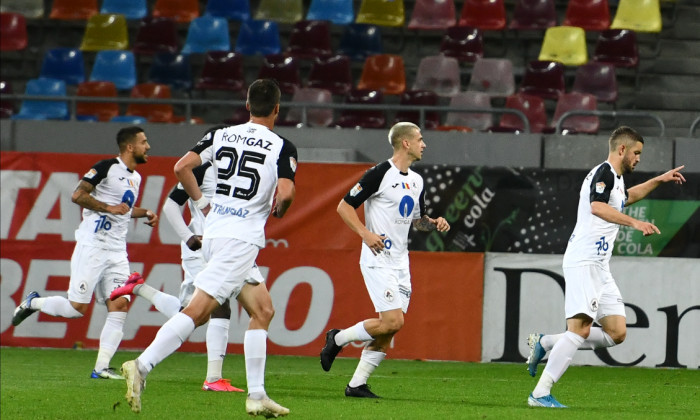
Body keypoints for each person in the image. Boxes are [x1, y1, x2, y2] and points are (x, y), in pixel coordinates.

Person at [118, 79, 297, 417]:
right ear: (277, 108)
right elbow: (286, 194)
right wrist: (280, 208)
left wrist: (201, 204)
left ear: (247, 105)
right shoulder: (282, 146)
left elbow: (181, 167)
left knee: (263, 311)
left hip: (216, 233)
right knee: (197, 312)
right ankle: (141, 366)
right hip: (240, 240)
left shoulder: (219, 134)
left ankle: (257, 396)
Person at [526, 126, 686, 408]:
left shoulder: (616, 179)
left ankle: (547, 342)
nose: (638, 158)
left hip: (600, 265)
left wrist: (659, 180)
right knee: (580, 329)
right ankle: (540, 393)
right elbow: (597, 207)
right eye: (636, 153)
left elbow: (628, 197)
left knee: (617, 333)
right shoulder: (603, 173)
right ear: (622, 149)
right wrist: (635, 222)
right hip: (584, 260)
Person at [11, 126, 159, 380]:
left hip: (116, 250)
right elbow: (78, 195)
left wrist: (143, 212)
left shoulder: (136, 178)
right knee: (76, 307)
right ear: (130, 147)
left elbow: (122, 209)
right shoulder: (105, 167)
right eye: (144, 142)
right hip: (93, 245)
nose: (149, 147)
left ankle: (101, 367)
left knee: (120, 304)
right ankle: (33, 302)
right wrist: (106, 207)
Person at [319, 122, 450, 398]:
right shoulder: (379, 173)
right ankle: (338, 338)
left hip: (402, 262)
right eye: (420, 139)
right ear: (405, 143)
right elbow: (344, 206)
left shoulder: (417, 181)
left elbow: (417, 221)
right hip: (378, 258)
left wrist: (434, 222)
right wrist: (365, 233)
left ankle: (356, 385)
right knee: (393, 322)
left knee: (389, 330)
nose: (424, 144)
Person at [159, 125, 245, 392]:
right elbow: (171, 205)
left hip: (224, 246)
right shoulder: (201, 169)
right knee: (219, 304)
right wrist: (189, 237)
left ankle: (139, 289)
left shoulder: (236, 172)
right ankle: (213, 378)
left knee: (193, 312)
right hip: (202, 246)